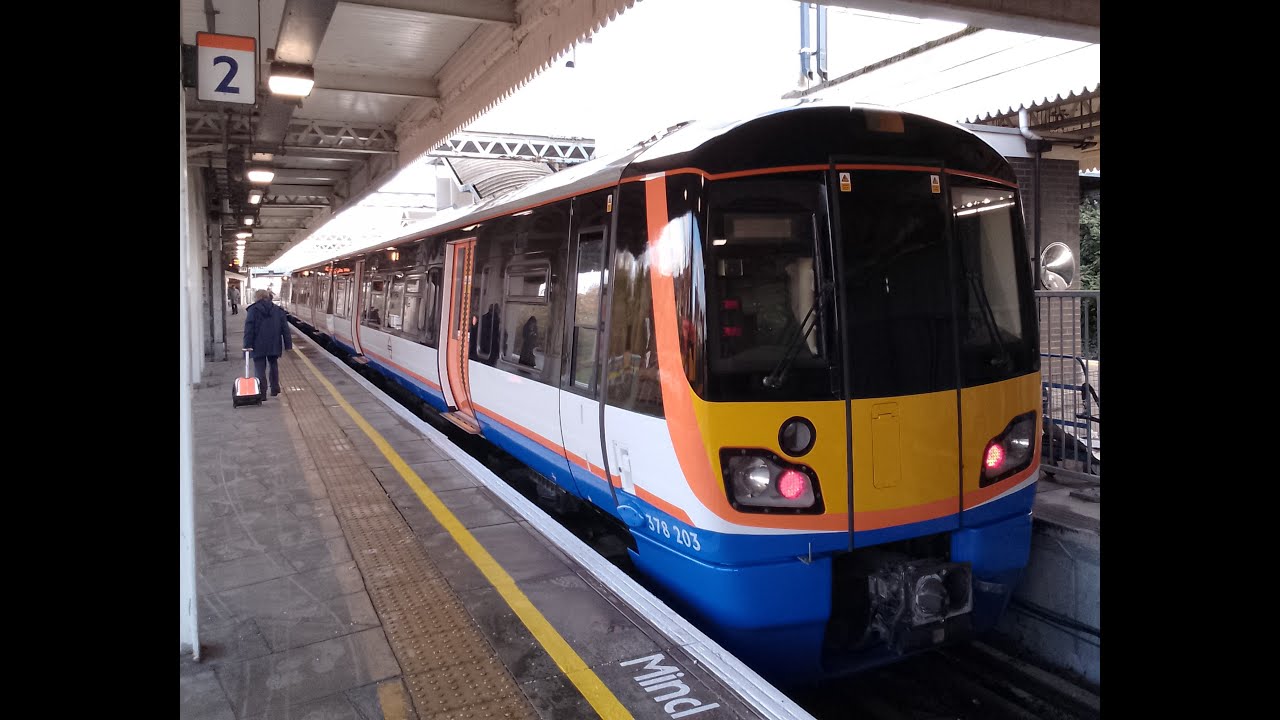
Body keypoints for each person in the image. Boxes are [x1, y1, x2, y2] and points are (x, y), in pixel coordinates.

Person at [243, 289, 293, 398]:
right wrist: (288, 345)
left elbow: (249, 329)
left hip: (257, 344)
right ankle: (274, 389)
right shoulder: (278, 310)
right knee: (273, 365)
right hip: (274, 343)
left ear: (256, 297)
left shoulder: (253, 310)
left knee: (259, 368)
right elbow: (285, 329)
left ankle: (262, 393)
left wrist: (247, 345)